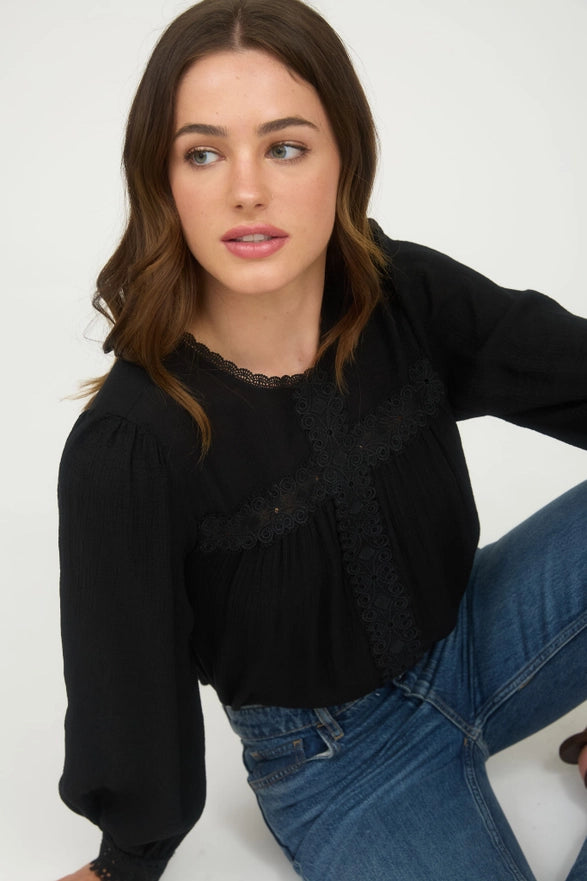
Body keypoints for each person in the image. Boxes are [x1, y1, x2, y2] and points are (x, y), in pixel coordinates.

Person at [55, 0, 587, 879]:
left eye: (285, 146)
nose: (246, 189)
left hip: (480, 636)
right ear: (162, 180)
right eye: (202, 153)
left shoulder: (402, 291)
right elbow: (129, 685)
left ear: (345, 158)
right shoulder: (131, 443)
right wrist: (126, 859)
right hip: (339, 764)